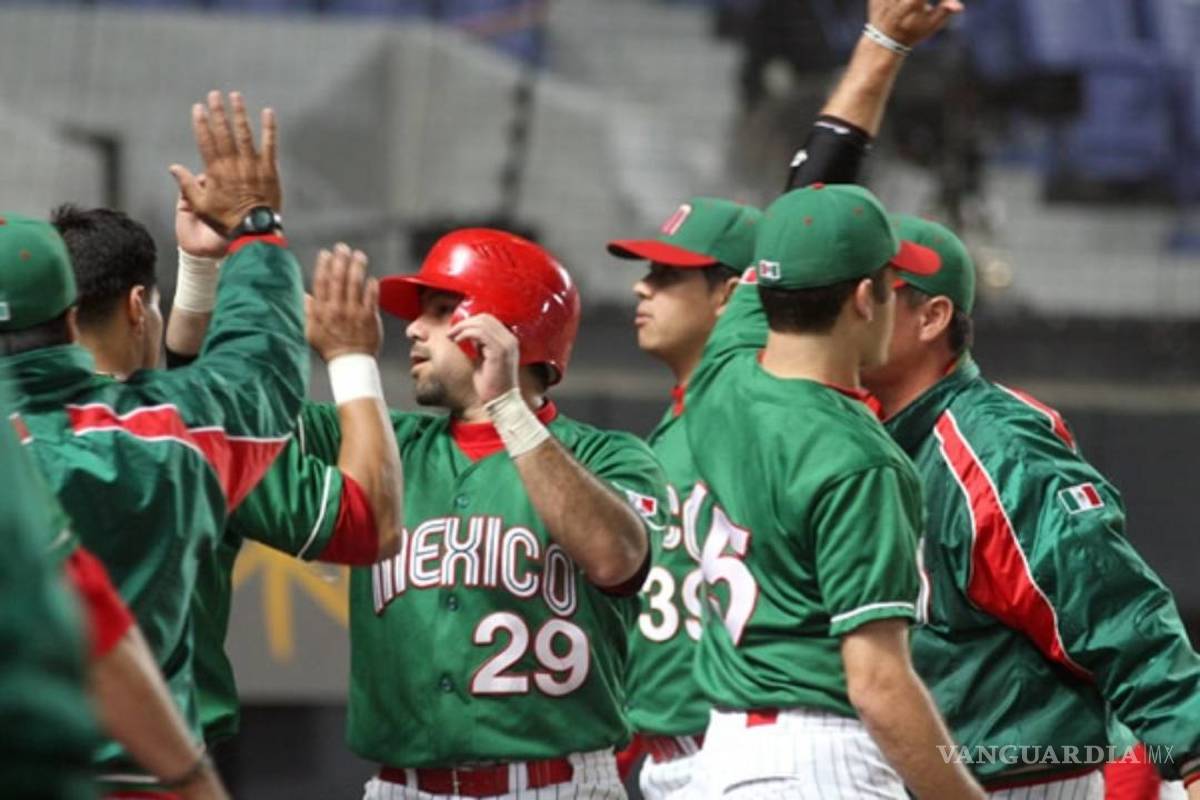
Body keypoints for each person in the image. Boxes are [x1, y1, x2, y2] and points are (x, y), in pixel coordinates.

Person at [606, 0, 964, 795]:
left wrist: (879, 47)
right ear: (869, 298)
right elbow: (879, 681)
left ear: (747, 289)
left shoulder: (723, 385)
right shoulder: (856, 455)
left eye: (668, 272)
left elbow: (808, 196)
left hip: (725, 749)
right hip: (814, 749)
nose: (644, 285)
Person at [228, 227, 670, 798]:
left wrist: (508, 408)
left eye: (440, 310)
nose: (412, 329)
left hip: (552, 784)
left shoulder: (607, 456)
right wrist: (227, 255)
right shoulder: (385, 447)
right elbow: (229, 418)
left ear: (502, 327)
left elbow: (617, 559)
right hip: (402, 787)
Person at [0, 90, 306, 796]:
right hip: (149, 778)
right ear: (72, 321)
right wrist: (256, 231)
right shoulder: (168, 434)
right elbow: (260, 369)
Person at [860, 214, 1200, 800]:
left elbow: (1114, 609)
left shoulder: (994, 447)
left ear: (933, 316)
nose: (854, 309)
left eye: (876, 293)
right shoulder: (856, 430)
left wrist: (1192, 754)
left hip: (1026, 780)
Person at [70, 198, 405, 752]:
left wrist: (200, 269)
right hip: (154, 760)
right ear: (137, 306)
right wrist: (351, 356)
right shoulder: (189, 442)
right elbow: (364, 519)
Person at [606, 199, 756, 796]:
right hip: (667, 761)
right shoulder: (673, 428)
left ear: (730, 293)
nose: (642, 287)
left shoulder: (764, 419)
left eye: (668, 275)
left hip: (744, 749)